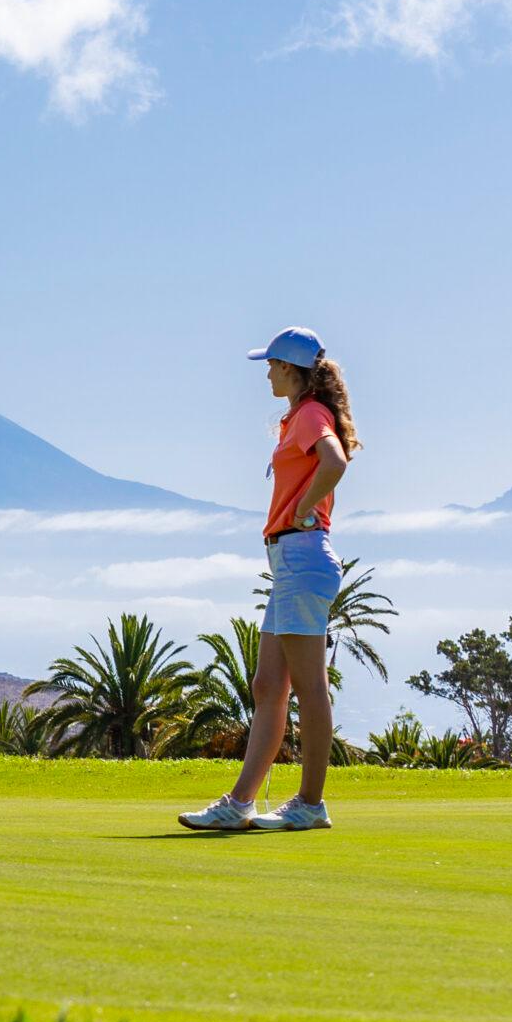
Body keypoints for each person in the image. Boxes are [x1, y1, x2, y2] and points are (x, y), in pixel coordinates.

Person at [181, 328, 359, 833]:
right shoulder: (302, 416)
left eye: (272, 364)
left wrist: (304, 510)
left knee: (308, 688)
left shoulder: (308, 415)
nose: (266, 373)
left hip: (302, 556)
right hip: (290, 561)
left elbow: (334, 462)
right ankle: (240, 804)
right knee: (267, 686)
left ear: (289, 368)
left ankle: (309, 803)